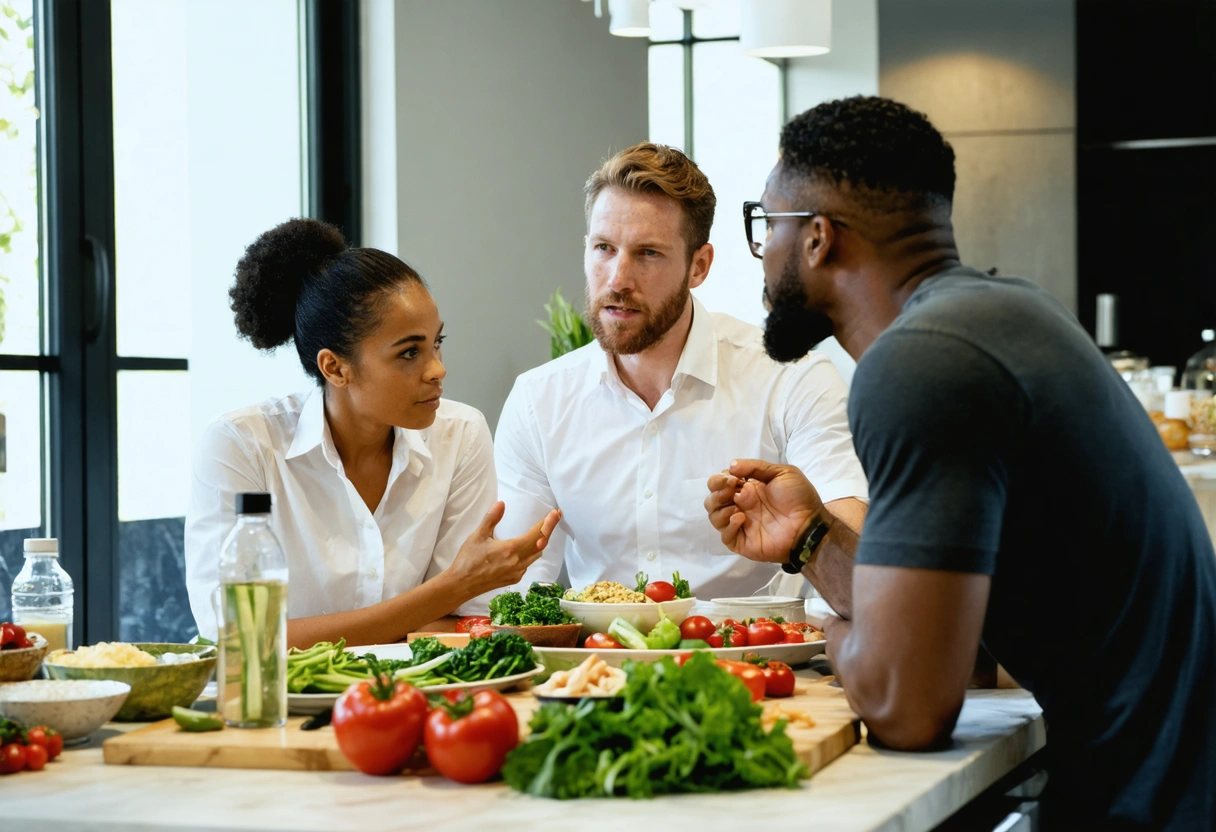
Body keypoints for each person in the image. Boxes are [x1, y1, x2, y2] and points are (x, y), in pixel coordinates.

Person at [705, 96, 1216, 829]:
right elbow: (963, 646)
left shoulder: (921, 363)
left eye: (768, 226)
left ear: (817, 238)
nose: (764, 256)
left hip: (1147, 808)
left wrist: (845, 641)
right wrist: (811, 538)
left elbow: (908, 707)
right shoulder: (1001, 315)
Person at [490, 143, 867, 606]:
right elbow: (515, 590)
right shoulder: (538, 400)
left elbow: (865, 576)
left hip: (762, 661)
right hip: (601, 668)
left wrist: (808, 537)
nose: (617, 279)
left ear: (699, 266)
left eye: (648, 253)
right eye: (604, 248)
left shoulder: (790, 378)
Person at [185, 218, 560, 648]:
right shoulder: (240, 446)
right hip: (276, 703)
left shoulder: (460, 434)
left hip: (415, 693)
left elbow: (462, 623)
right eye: (409, 353)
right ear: (335, 367)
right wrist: (451, 588)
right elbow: (238, 637)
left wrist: (454, 596)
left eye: (437, 343)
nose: (438, 370)